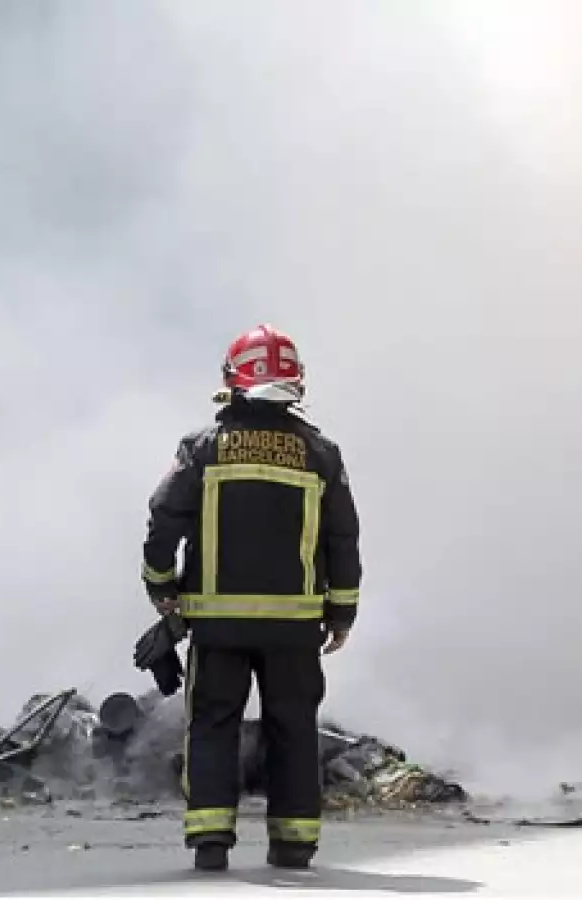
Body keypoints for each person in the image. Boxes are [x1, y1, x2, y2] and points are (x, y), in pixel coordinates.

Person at [141, 323, 362, 872]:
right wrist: (342, 612)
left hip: (219, 626)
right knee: (293, 728)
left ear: (232, 382)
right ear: (297, 384)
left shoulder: (203, 448)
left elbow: (163, 520)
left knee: (213, 724)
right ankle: (293, 845)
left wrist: (161, 585)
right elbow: (343, 539)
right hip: (294, 628)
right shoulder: (321, 454)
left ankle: (211, 843)